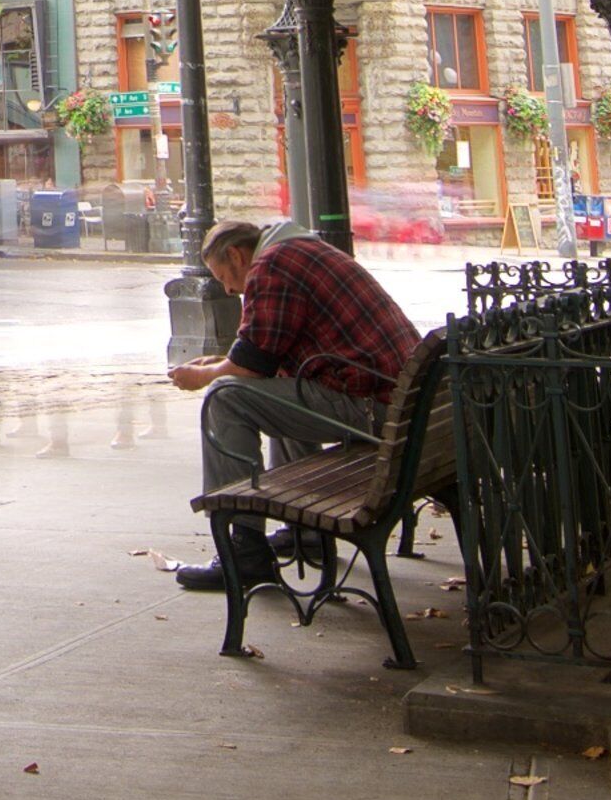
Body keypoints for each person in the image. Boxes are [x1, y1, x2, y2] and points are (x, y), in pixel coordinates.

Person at [164, 218, 421, 591]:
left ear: (236, 255)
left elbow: (250, 365)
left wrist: (205, 376)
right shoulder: (299, 249)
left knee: (225, 397)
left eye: (223, 277)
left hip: (374, 408)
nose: (229, 289)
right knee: (273, 386)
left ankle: (244, 551)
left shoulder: (273, 265)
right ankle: (304, 531)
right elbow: (264, 353)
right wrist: (220, 362)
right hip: (400, 404)